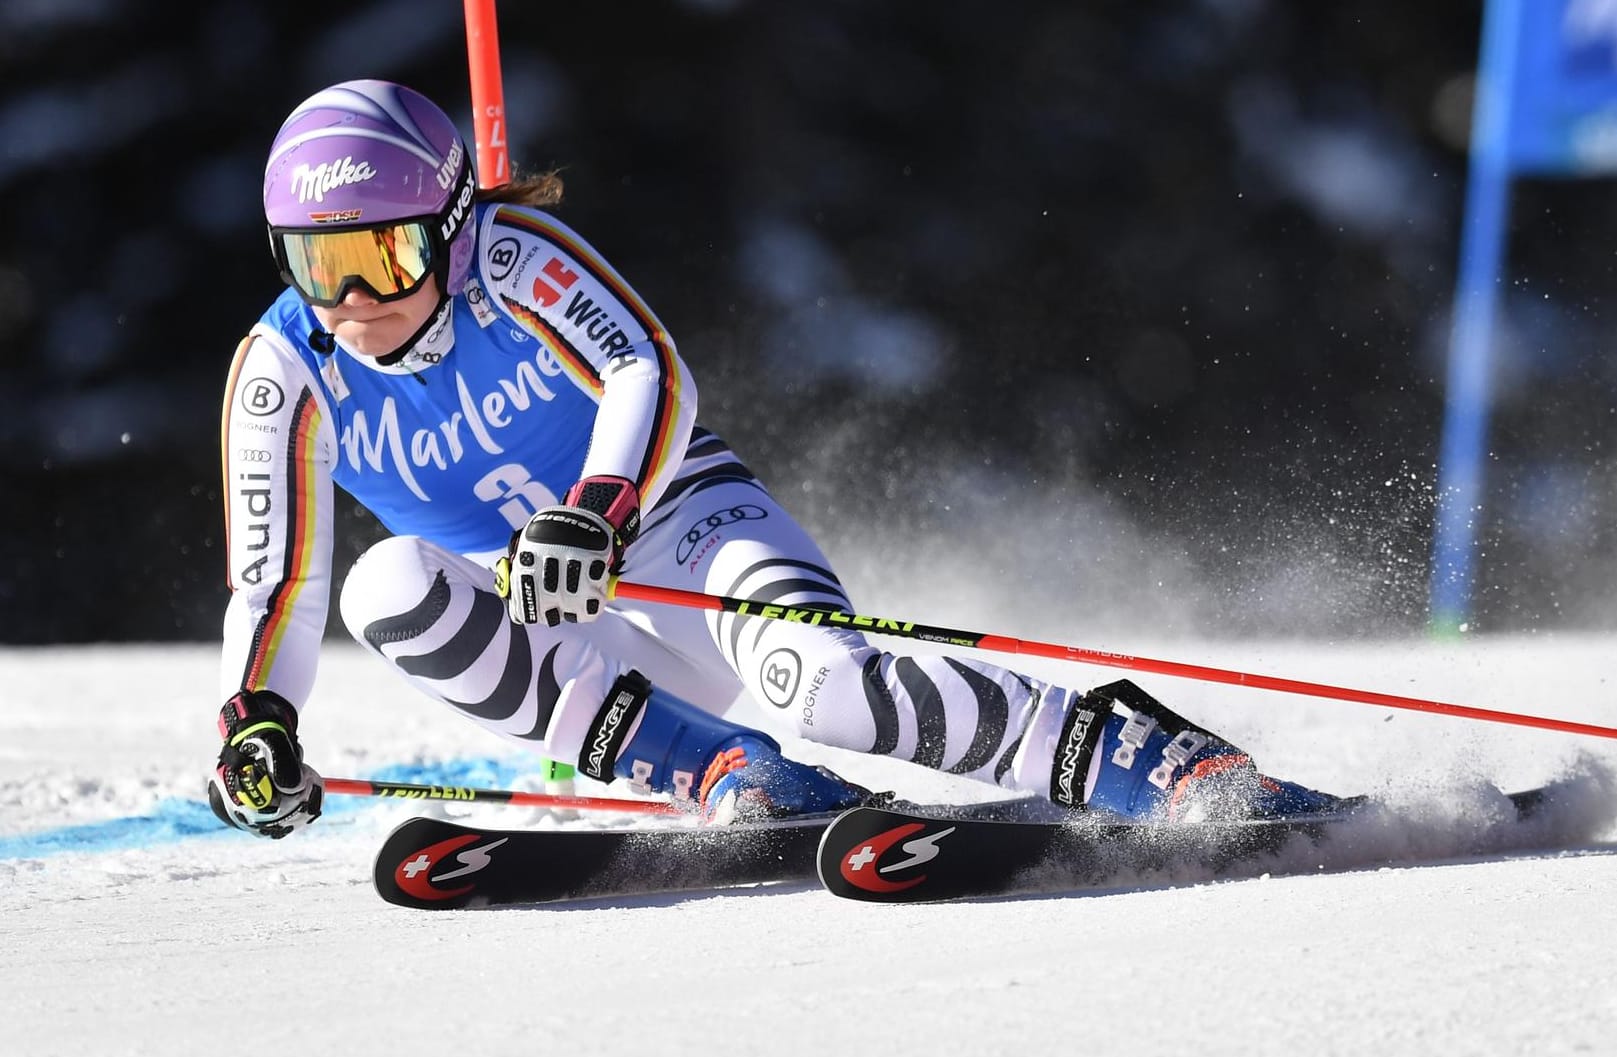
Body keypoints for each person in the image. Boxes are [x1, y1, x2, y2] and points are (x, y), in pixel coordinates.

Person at [209, 79, 1338, 839]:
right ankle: (727, 774)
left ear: (452, 229)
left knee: (829, 686)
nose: (354, 300)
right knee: (383, 586)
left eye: (383, 256)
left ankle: (1154, 766)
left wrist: (599, 512)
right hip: (565, 627)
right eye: (320, 265)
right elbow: (276, 579)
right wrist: (255, 717)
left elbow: (650, 373)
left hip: (671, 530)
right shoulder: (285, 374)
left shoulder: (516, 262)